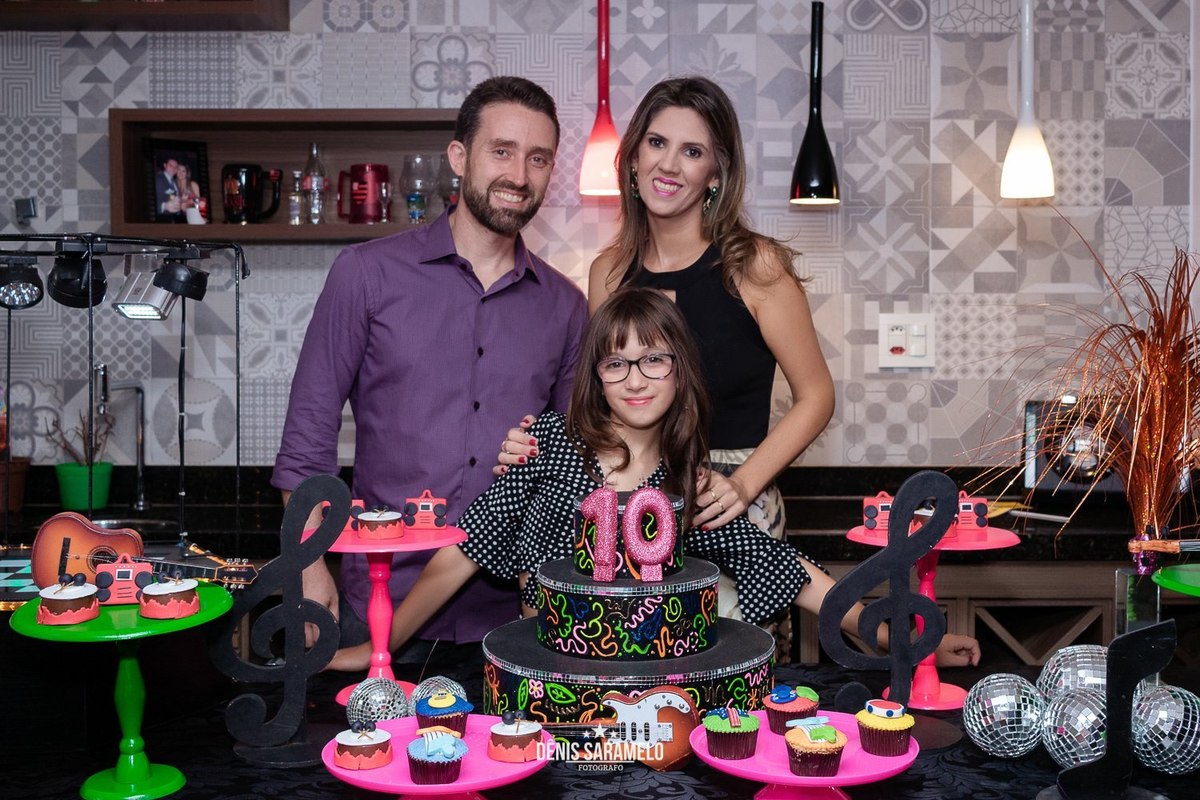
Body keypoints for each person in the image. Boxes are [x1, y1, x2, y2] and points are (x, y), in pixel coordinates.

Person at [329, 288, 979, 670]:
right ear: (596, 376)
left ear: (680, 371)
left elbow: (789, 571)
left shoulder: (688, 487)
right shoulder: (548, 445)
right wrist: (375, 652)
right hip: (543, 680)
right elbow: (458, 555)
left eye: (653, 359)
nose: (635, 378)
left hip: (652, 689)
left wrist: (905, 641)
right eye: (616, 363)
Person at [499, 76, 834, 645]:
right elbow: (607, 404)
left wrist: (744, 485)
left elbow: (817, 395)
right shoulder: (608, 272)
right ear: (631, 160)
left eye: (693, 150)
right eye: (656, 143)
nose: (669, 164)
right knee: (633, 674)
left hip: (725, 501)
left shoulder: (754, 265)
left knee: (729, 685)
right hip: (634, 502)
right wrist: (537, 446)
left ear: (716, 173)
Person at [273, 76, 588, 658]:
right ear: (459, 157)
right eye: (502, 151)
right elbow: (307, 437)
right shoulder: (365, 275)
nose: (519, 175)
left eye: (538, 158)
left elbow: (571, 465)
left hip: (512, 616)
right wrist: (308, 570)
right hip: (377, 599)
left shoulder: (567, 306)